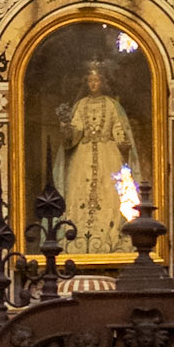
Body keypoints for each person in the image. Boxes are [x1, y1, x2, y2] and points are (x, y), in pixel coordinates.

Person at [53, 62, 135, 254]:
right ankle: (77, 243)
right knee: (79, 193)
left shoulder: (112, 105)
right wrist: (66, 127)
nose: (93, 84)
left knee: (109, 195)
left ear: (103, 82)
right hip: (83, 157)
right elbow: (75, 133)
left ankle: (111, 243)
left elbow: (117, 128)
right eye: (90, 81)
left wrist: (122, 142)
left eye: (96, 80)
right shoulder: (80, 105)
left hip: (109, 157)